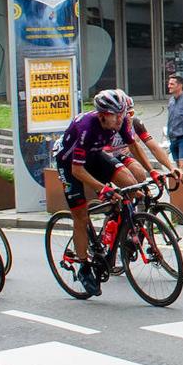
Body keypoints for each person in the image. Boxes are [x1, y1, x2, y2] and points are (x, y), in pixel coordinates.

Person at [53, 89, 151, 296]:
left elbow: (134, 146)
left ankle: (116, 222)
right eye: (115, 116)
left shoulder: (122, 120)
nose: (120, 119)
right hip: (70, 164)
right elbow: (77, 170)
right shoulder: (86, 127)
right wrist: (103, 188)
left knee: (131, 185)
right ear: (101, 115)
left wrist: (152, 171)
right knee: (80, 216)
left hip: (95, 156)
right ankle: (84, 266)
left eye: (122, 114)